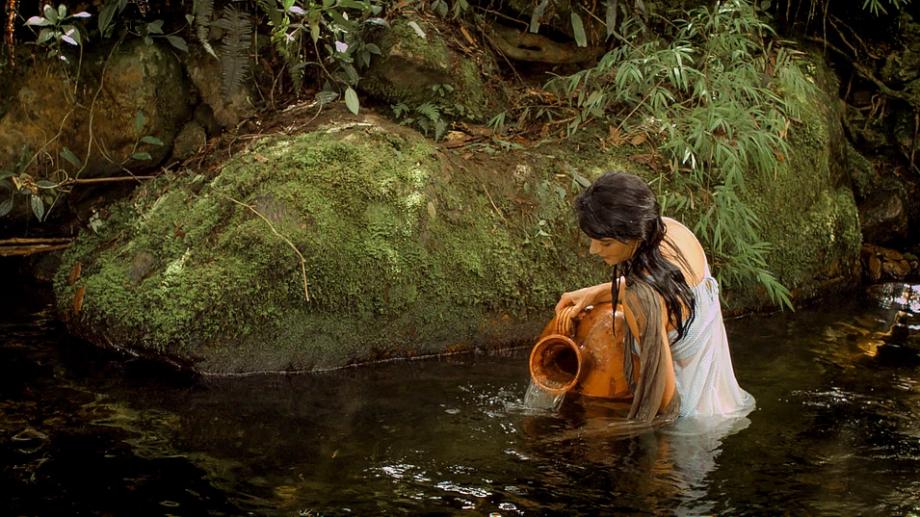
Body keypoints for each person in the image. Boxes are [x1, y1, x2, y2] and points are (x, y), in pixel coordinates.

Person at [554, 171, 755, 420]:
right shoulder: (674, 233)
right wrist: (598, 292)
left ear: (636, 234)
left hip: (689, 429)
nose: (593, 250)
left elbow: (665, 404)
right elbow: (666, 289)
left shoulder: (641, 300)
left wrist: (659, 456)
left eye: (605, 243)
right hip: (726, 406)